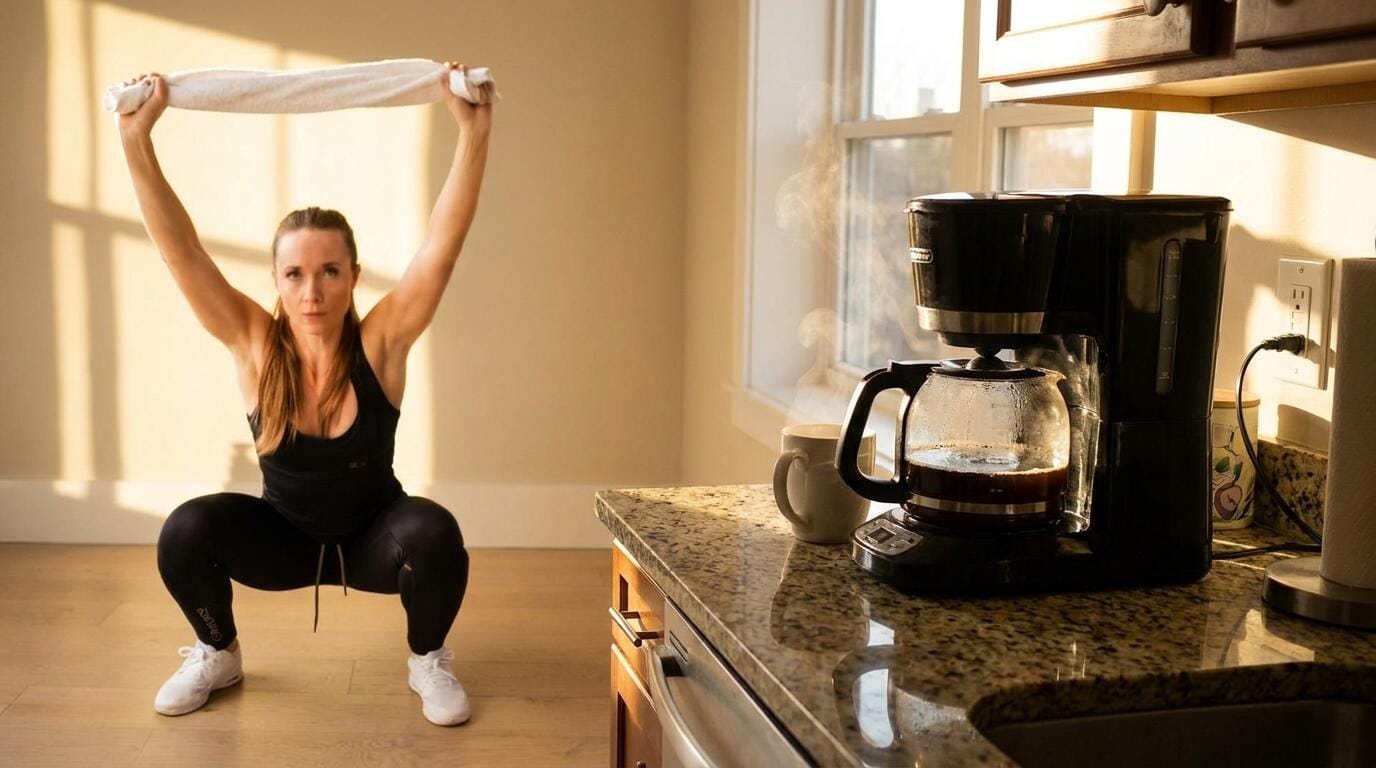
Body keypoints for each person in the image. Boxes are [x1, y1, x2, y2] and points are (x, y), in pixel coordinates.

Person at [116, 62, 492, 726]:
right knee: (185, 530)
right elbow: (182, 254)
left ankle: (427, 658)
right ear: (277, 280)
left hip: (375, 538)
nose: (311, 292)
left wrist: (472, 133)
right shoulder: (255, 346)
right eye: (294, 274)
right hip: (280, 540)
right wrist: (135, 140)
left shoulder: (381, 345)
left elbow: (442, 249)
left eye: (329, 272)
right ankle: (217, 651)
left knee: (436, 534)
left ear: (352, 276)